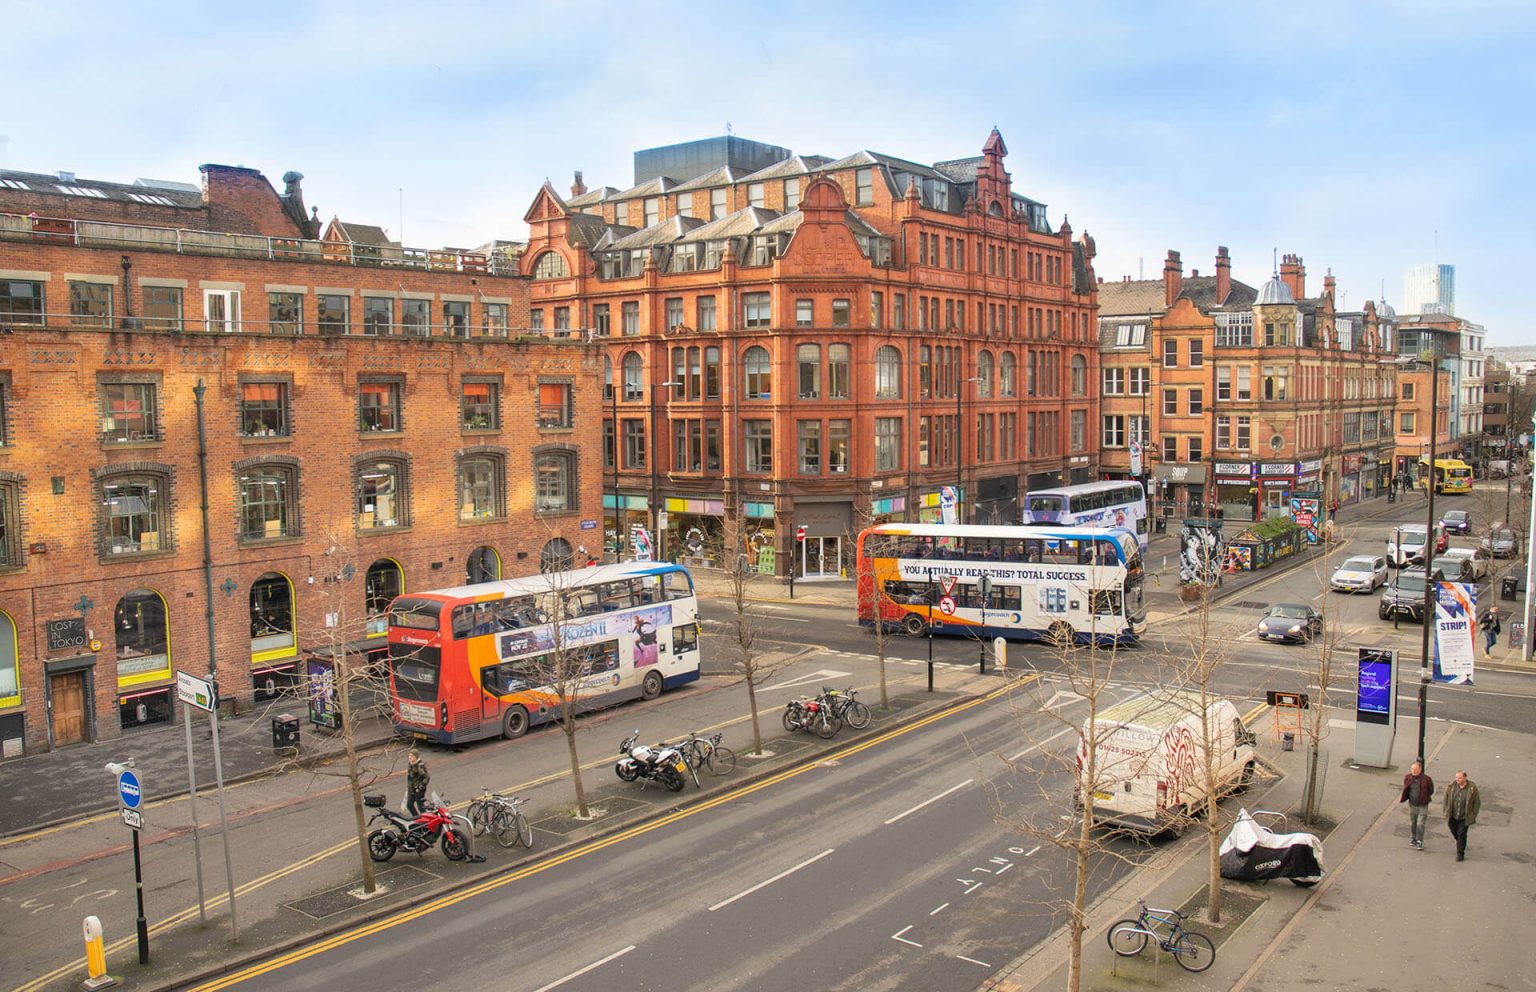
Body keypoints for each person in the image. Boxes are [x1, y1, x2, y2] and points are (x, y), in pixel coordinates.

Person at [1443, 769, 1481, 861]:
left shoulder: (1472, 788)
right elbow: (1446, 799)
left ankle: (1460, 853)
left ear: (1465, 778)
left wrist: (1473, 815)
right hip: (1453, 815)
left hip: (1464, 816)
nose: (1457, 779)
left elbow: (1477, 802)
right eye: (1456, 777)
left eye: (1459, 778)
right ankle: (1461, 842)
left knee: (1461, 833)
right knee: (1454, 831)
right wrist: (1446, 811)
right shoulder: (1451, 787)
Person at [1399, 760, 1434, 850]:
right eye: (1412, 769)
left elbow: (1431, 790)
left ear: (1420, 769)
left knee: (1420, 824)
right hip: (1412, 804)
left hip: (1423, 805)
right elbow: (1406, 788)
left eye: (1415, 769)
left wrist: (1425, 797)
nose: (1413, 771)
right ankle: (1413, 838)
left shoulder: (1427, 779)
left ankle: (1420, 841)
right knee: (1413, 823)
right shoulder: (1408, 778)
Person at [405, 748, 430, 818]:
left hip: (418, 789)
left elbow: (426, 777)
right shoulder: (410, 763)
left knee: (420, 806)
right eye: (409, 755)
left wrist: (421, 786)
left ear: (416, 757)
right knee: (409, 805)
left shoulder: (419, 765)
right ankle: (417, 818)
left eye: (411, 756)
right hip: (411, 789)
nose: (409, 757)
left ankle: (426, 819)